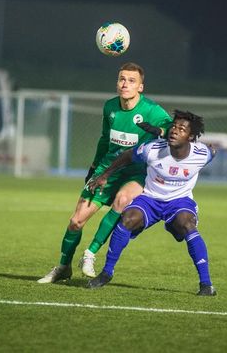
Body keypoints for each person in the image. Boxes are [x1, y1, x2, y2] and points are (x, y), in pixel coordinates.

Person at [37, 62, 172, 283]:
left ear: (140, 87)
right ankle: (63, 266)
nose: (124, 84)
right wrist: (93, 167)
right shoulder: (110, 107)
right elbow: (104, 139)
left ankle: (90, 254)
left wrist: (161, 130)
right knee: (75, 222)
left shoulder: (152, 110)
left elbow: (174, 128)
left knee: (123, 199)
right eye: (121, 79)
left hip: (135, 172)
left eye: (131, 80)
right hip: (106, 169)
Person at [86, 110, 217, 296]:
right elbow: (127, 156)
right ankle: (106, 273)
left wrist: (213, 150)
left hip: (179, 201)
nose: (174, 131)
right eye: (174, 126)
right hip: (151, 199)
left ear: (191, 137)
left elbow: (212, 152)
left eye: (182, 129)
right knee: (128, 219)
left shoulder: (201, 154)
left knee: (186, 225)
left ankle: (206, 285)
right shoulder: (153, 149)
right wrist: (104, 176)